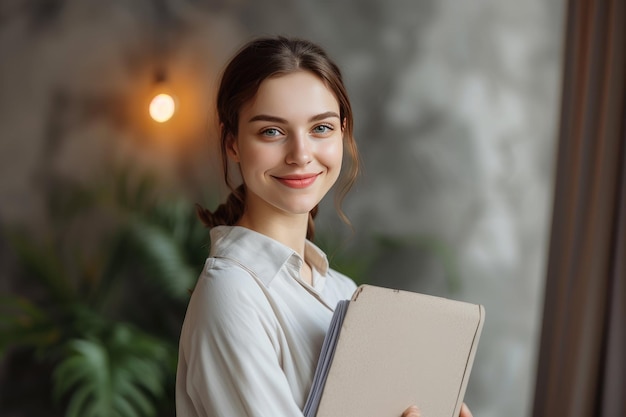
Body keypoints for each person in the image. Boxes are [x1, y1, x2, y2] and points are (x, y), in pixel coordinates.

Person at [175, 36, 473, 417]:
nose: (301, 154)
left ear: (343, 132)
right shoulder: (232, 294)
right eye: (272, 131)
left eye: (321, 128)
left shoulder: (342, 292)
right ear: (232, 142)